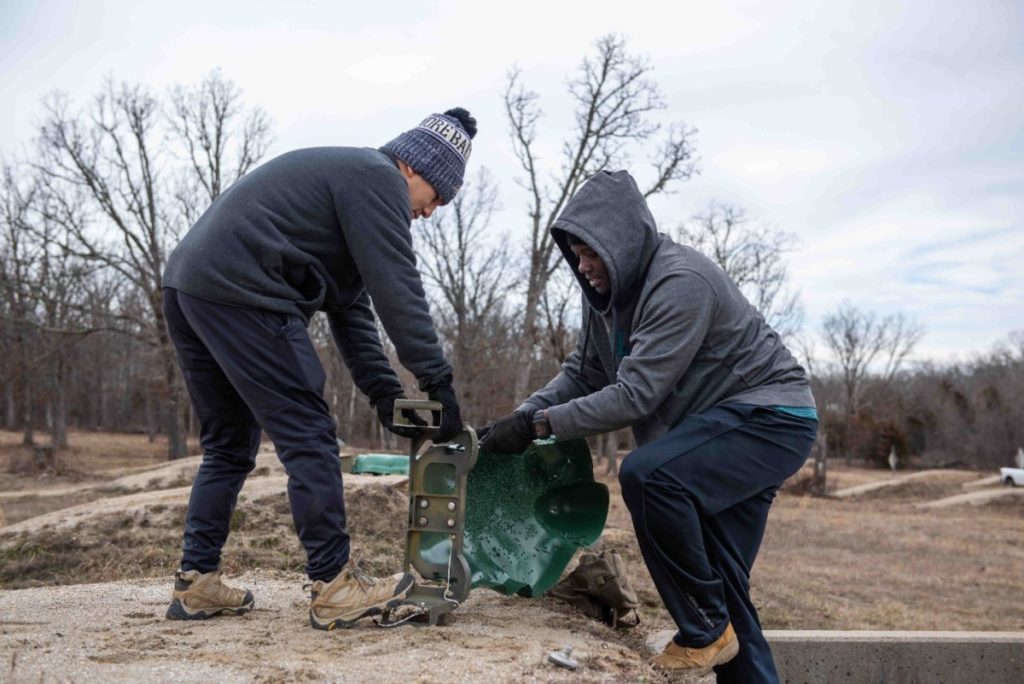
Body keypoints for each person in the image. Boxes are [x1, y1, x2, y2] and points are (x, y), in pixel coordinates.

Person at [480, 170, 816, 682]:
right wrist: (521, 418)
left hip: (769, 418)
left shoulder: (680, 283)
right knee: (721, 584)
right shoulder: (608, 301)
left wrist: (540, 427)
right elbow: (583, 373)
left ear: (621, 241)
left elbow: (635, 394)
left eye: (590, 252)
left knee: (649, 475)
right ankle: (715, 630)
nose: (583, 265)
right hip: (721, 429)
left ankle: (703, 627)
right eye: (575, 253)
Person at [160, 107, 476, 630]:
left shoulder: (348, 187)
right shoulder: (378, 180)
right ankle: (333, 586)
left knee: (229, 445)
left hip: (191, 285)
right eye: (438, 196)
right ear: (415, 170)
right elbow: (399, 290)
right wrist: (436, 379)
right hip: (244, 290)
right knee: (309, 433)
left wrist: (382, 394)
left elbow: (351, 308)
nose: (432, 210)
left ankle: (197, 583)